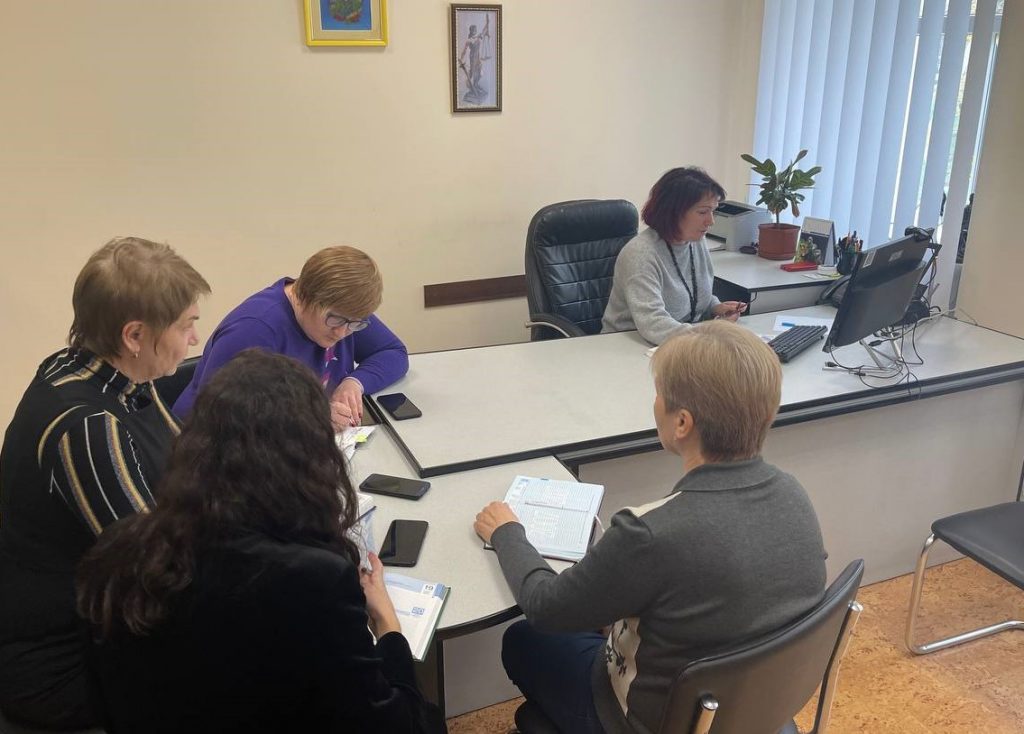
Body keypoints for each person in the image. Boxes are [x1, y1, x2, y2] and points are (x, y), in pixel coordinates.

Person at [474, 321, 827, 734]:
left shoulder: (650, 531)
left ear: (682, 423)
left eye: (659, 394)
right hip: (755, 711)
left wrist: (506, 532)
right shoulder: (794, 494)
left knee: (523, 640)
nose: (655, 402)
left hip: (648, 721)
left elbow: (545, 607)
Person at [77, 350, 443, 733]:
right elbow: (394, 725)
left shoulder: (116, 550)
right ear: (311, 457)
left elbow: (105, 703)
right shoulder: (314, 579)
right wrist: (387, 623)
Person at [0, 237, 210, 729]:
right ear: (135, 335)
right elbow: (161, 570)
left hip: (102, 615)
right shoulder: (90, 428)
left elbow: (187, 462)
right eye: (186, 325)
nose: (194, 339)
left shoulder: (101, 372)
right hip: (62, 661)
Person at [173, 245, 408, 430]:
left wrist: (354, 383)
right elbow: (220, 413)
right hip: (210, 452)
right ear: (304, 296)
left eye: (355, 323)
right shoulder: (254, 329)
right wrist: (309, 416)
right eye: (335, 320)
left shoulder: (344, 313)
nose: (342, 332)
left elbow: (393, 353)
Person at [602, 167, 747, 345]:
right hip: (627, 344)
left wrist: (715, 307)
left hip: (678, 342)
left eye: (713, 211)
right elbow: (653, 324)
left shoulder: (696, 241)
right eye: (703, 212)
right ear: (673, 212)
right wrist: (711, 333)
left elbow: (695, 294)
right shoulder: (640, 254)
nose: (711, 221)